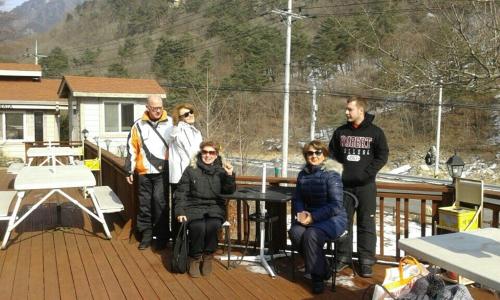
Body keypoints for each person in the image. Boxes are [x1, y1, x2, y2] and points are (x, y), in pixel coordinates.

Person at [328, 96, 389, 278]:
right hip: (344, 188)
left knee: (366, 224)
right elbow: (332, 155)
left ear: (360, 111)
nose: (346, 112)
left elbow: (382, 155)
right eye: (346, 109)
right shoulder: (340, 132)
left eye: (350, 109)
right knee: (342, 224)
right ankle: (342, 258)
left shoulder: (376, 132)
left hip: (366, 187)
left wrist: (365, 174)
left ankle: (366, 261)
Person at [288, 140, 347, 294]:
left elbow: (336, 205)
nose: (314, 156)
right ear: (306, 156)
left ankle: (317, 277)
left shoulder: (332, 174)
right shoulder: (303, 174)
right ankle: (324, 268)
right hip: (310, 216)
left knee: (311, 235)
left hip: (333, 218)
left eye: (318, 152)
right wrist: (301, 214)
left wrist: (313, 218)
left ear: (324, 154)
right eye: (310, 153)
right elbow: (298, 199)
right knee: (295, 232)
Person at [174, 141, 235, 278]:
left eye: (211, 152)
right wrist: (180, 211)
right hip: (193, 206)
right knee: (198, 226)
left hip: (215, 207)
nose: (208, 155)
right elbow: (181, 192)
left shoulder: (221, 169)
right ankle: (195, 258)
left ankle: (207, 256)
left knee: (212, 225)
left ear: (216, 154)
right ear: (201, 152)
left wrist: (229, 175)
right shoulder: (191, 169)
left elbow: (229, 191)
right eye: (205, 152)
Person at [125, 95, 173, 251]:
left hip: (163, 171)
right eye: (154, 108)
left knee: (160, 202)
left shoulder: (171, 123)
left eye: (160, 107)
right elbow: (132, 148)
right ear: (148, 107)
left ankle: (162, 237)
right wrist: (129, 169)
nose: (158, 110)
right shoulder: (138, 125)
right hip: (144, 172)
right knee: (144, 205)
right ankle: (146, 235)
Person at [167, 103, 203, 237]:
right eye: (186, 114)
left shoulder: (195, 131)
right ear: (180, 118)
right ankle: (178, 244)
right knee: (179, 211)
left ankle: (187, 242)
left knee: (189, 209)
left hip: (191, 175)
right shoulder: (178, 130)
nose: (190, 115)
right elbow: (192, 153)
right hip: (181, 177)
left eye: (191, 112)